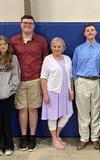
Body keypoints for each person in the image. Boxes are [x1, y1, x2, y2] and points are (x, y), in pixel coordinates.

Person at [10, 15, 48, 151]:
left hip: (35, 79)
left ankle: (32, 137)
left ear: (34, 25)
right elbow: (9, 59)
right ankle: (23, 137)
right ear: (20, 24)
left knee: (33, 108)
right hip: (19, 81)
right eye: (24, 23)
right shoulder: (14, 40)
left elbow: (46, 60)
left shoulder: (41, 41)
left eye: (30, 23)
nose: (27, 25)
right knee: (22, 109)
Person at [72, 24, 100, 150]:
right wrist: (76, 82)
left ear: (95, 32)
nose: (90, 32)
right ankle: (84, 138)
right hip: (82, 82)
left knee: (97, 111)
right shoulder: (79, 49)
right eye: (87, 31)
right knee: (83, 111)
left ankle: (95, 138)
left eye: (92, 30)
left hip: (97, 81)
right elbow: (74, 66)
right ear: (84, 34)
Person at [41, 37, 74, 149]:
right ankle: (54, 140)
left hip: (66, 92)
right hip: (52, 92)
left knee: (68, 113)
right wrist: (45, 94)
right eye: (54, 46)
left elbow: (70, 77)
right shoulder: (48, 59)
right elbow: (43, 78)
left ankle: (56, 135)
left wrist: (72, 91)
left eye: (59, 46)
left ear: (63, 48)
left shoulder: (68, 59)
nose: (56, 48)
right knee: (52, 116)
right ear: (51, 48)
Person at [0, 36, 20, 156]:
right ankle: (1, 145)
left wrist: (10, 89)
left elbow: (16, 75)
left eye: (4, 44)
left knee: (7, 121)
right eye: (0, 44)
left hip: (8, 94)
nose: (2, 46)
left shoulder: (13, 58)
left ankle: (9, 146)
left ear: (8, 46)